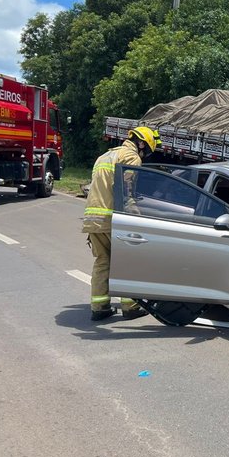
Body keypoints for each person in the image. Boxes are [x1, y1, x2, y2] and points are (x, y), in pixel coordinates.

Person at [82, 126, 161, 321]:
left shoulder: (104, 156)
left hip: (93, 218)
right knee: (127, 260)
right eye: (146, 150)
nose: (145, 153)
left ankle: (99, 307)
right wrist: (137, 220)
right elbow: (128, 193)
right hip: (112, 218)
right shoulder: (131, 158)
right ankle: (130, 307)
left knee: (102, 261)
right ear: (141, 143)